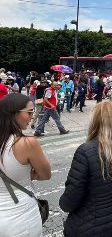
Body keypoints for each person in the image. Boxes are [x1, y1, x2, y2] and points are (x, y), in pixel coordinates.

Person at [59, 102, 112, 237]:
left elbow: (70, 200)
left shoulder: (85, 151)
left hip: (94, 227)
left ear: (95, 122)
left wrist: (63, 203)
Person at [0, 93, 51, 236]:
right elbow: (45, 174)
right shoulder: (27, 143)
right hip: (21, 217)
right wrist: (27, 175)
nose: (31, 117)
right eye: (29, 112)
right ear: (13, 114)